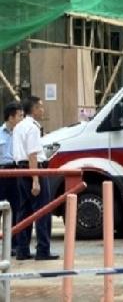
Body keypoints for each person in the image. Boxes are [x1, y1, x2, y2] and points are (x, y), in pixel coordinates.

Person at [14, 96, 58, 260]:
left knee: (24, 211)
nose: (42, 110)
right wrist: (35, 179)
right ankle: (43, 250)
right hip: (33, 170)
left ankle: (22, 250)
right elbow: (32, 155)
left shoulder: (19, 126)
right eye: (40, 107)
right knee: (43, 211)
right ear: (33, 109)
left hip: (20, 170)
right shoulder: (32, 128)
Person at [0, 102, 23, 255]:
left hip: (16, 172)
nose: (22, 119)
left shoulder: (21, 134)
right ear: (11, 117)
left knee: (16, 208)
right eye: (19, 116)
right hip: (1, 173)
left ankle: (14, 245)